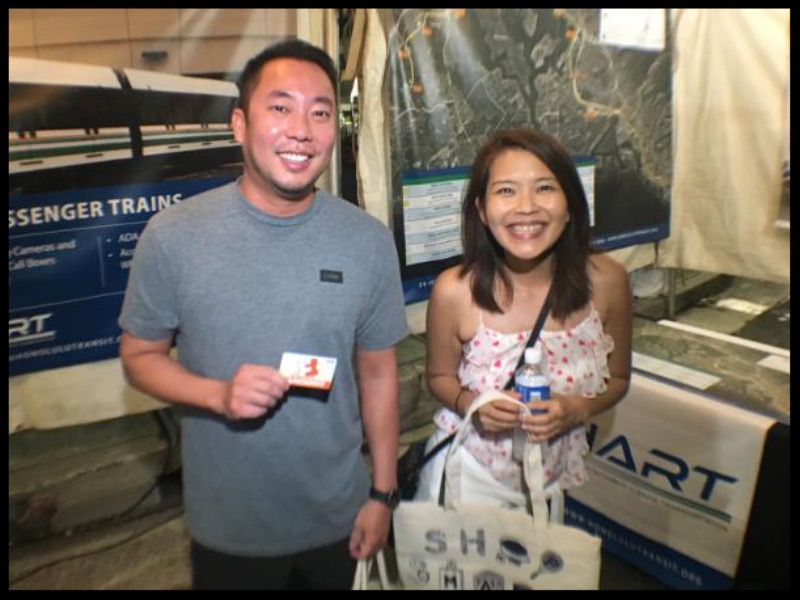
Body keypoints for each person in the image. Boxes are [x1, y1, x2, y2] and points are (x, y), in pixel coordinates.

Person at [118, 39, 408, 590]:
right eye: (280, 107)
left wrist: (382, 493)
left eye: (320, 112)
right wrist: (218, 395)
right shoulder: (174, 237)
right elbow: (139, 356)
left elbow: (378, 372)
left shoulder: (367, 241)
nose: (301, 130)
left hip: (342, 517)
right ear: (239, 125)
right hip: (230, 530)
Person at [416, 127, 632, 509]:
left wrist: (578, 409)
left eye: (544, 187)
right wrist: (471, 405)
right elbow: (439, 377)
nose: (526, 206)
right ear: (482, 210)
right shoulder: (455, 290)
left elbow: (618, 379)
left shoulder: (608, 281)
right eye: (506, 190)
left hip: (551, 482)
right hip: (468, 477)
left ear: (571, 204)